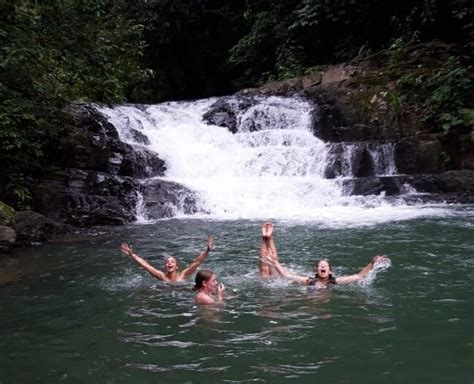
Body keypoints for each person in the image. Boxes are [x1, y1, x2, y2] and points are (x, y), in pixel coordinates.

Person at [259, 222, 389, 289]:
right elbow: (286, 276)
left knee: (266, 270)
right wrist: (276, 263)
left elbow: (359, 275)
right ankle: (268, 238)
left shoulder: (334, 282)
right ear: (316, 270)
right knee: (269, 266)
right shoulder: (309, 281)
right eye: (320, 265)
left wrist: (372, 263)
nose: (322, 266)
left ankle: (267, 237)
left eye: (325, 265)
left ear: (330, 271)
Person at [120, 236, 214, 283]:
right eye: (167, 262)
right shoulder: (161, 276)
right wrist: (132, 255)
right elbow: (145, 265)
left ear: (177, 266)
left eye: (172, 262)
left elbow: (197, 262)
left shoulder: (183, 275)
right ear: (165, 266)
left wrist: (207, 251)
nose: (169, 263)